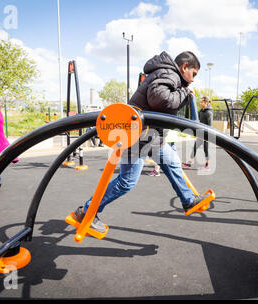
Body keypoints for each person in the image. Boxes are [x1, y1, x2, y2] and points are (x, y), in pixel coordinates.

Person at [72, 51, 208, 232]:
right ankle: (85, 212)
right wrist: (184, 91)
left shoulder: (169, 75)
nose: (193, 79)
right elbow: (159, 99)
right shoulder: (169, 74)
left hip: (152, 137)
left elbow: (168, 106)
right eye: (194, 74)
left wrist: (184, 94)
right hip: (139, 137)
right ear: (184, 67)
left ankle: (188, 200)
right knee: (126, 182)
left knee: (173, 162)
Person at [182, 96, 214, 171]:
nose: (200, 103)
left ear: (206, 103)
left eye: (202, 102)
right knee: (195, 147)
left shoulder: (209, 113)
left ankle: (207, 166)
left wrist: (207, 137)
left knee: (205, 150)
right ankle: (189, 162)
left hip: (206, 135)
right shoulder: (200, 111)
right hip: (200, 134)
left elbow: (210, 126)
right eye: (200, 102)